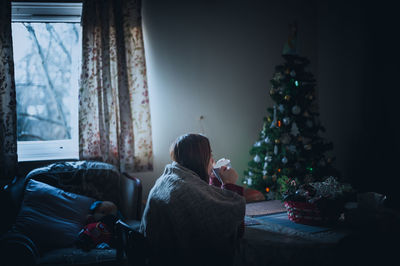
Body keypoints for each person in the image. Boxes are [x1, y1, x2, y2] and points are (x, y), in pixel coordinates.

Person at [140, 133, 246, 266]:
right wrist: (229, 184)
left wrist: (214, 178)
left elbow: (205, 196)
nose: (213, 160)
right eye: (210, 155)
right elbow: (230, 225)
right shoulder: (184, 190)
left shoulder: (172, 178)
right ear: (200, 159)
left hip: (158, 255)